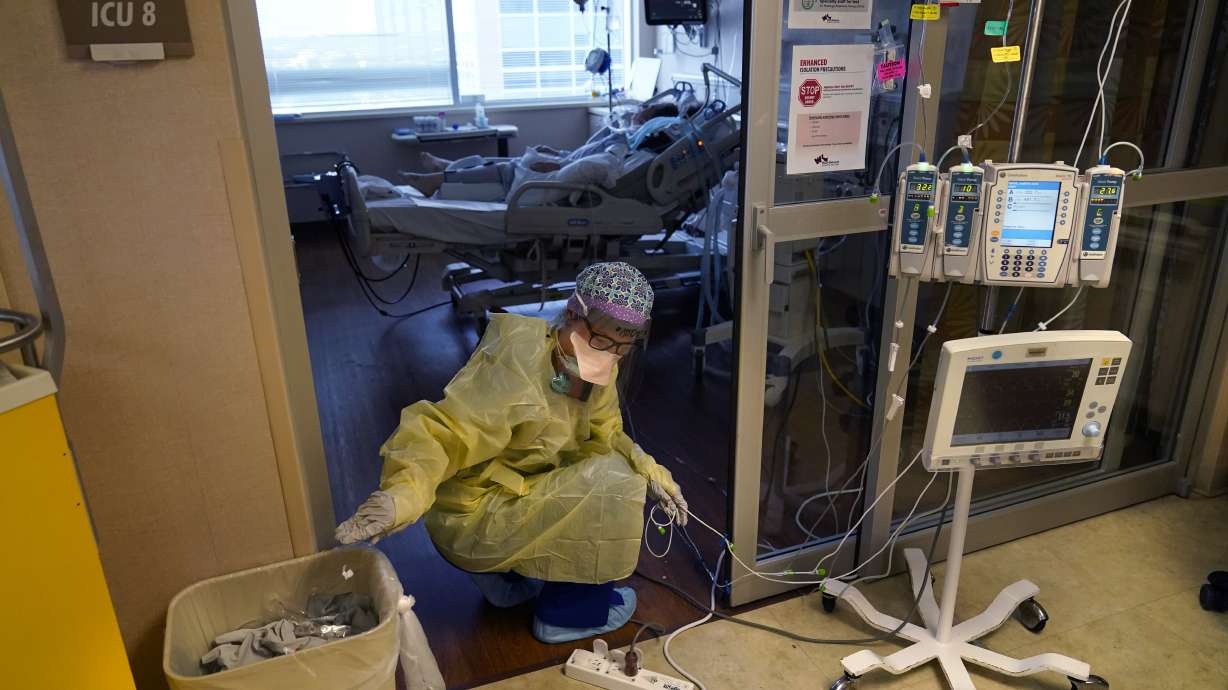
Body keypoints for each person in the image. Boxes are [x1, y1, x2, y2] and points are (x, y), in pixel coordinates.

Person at [335, 262, 688, 644]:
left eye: (624, 346)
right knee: (615, 487)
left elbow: (604, 436)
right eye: (602, 341)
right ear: (572, 313)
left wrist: (648, 466)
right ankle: (570, 614)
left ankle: (506, 579)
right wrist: (402, 495)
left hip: (503, 495)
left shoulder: (591, 362)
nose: (610, 355)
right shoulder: (516, 366)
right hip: (470, 515)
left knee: (613, 467)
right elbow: (443, 434)